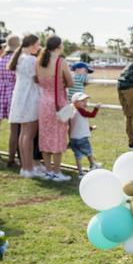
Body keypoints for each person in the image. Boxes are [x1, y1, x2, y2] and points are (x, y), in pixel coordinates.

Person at [36, 35, 73, 182]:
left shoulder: (39, 61)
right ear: (58, 46)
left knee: (45, 135)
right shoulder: (60, 62)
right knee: (58, 136)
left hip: (43, 102)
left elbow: (37, 80)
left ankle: (48, 170)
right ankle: (57, 172)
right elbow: (70, 82)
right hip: (58, 102)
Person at [8, 34, 45, 179]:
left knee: (23, 134)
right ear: (33, 44)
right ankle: (29, 168)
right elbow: (38, 78)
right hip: (30, 98)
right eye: (38, 44)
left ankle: (25, 166)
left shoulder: (20, 58)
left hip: (19, 98)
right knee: (29, 135)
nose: (39, 47)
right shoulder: (31, 60)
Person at [69, 92, 102, 175]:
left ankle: (80, 173)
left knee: (78, 156)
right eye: (82, 101)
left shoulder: (73, 112)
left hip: (73, 138)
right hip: (81, 138)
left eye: (86, 101)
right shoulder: (80, 111)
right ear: (75, 103)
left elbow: (79, 125)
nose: (85, 103)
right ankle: (92, 165)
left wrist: (90, 128)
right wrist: (96, 108)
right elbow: (92, 115)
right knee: (89, 152)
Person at [0, 35, 20, 166]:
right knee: (15, 130)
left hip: (0, 91)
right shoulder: (16, 61)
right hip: (13, 93)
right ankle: (12, 158)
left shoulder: (1, 59)